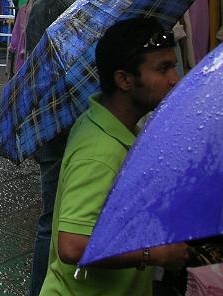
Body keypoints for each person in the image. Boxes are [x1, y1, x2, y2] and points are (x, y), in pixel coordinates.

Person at [40, 17, 188, 294]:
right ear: (124, 80)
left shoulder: (109, 125)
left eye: (173, 67)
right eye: (163, 69)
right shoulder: (99, 152)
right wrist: (154, 255)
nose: (174, 79)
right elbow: (71, 244)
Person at [26, 0, 119, 296]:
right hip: (60, 129)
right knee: (53, 221)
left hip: (88, 125)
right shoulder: (55, 1)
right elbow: (40, 74)